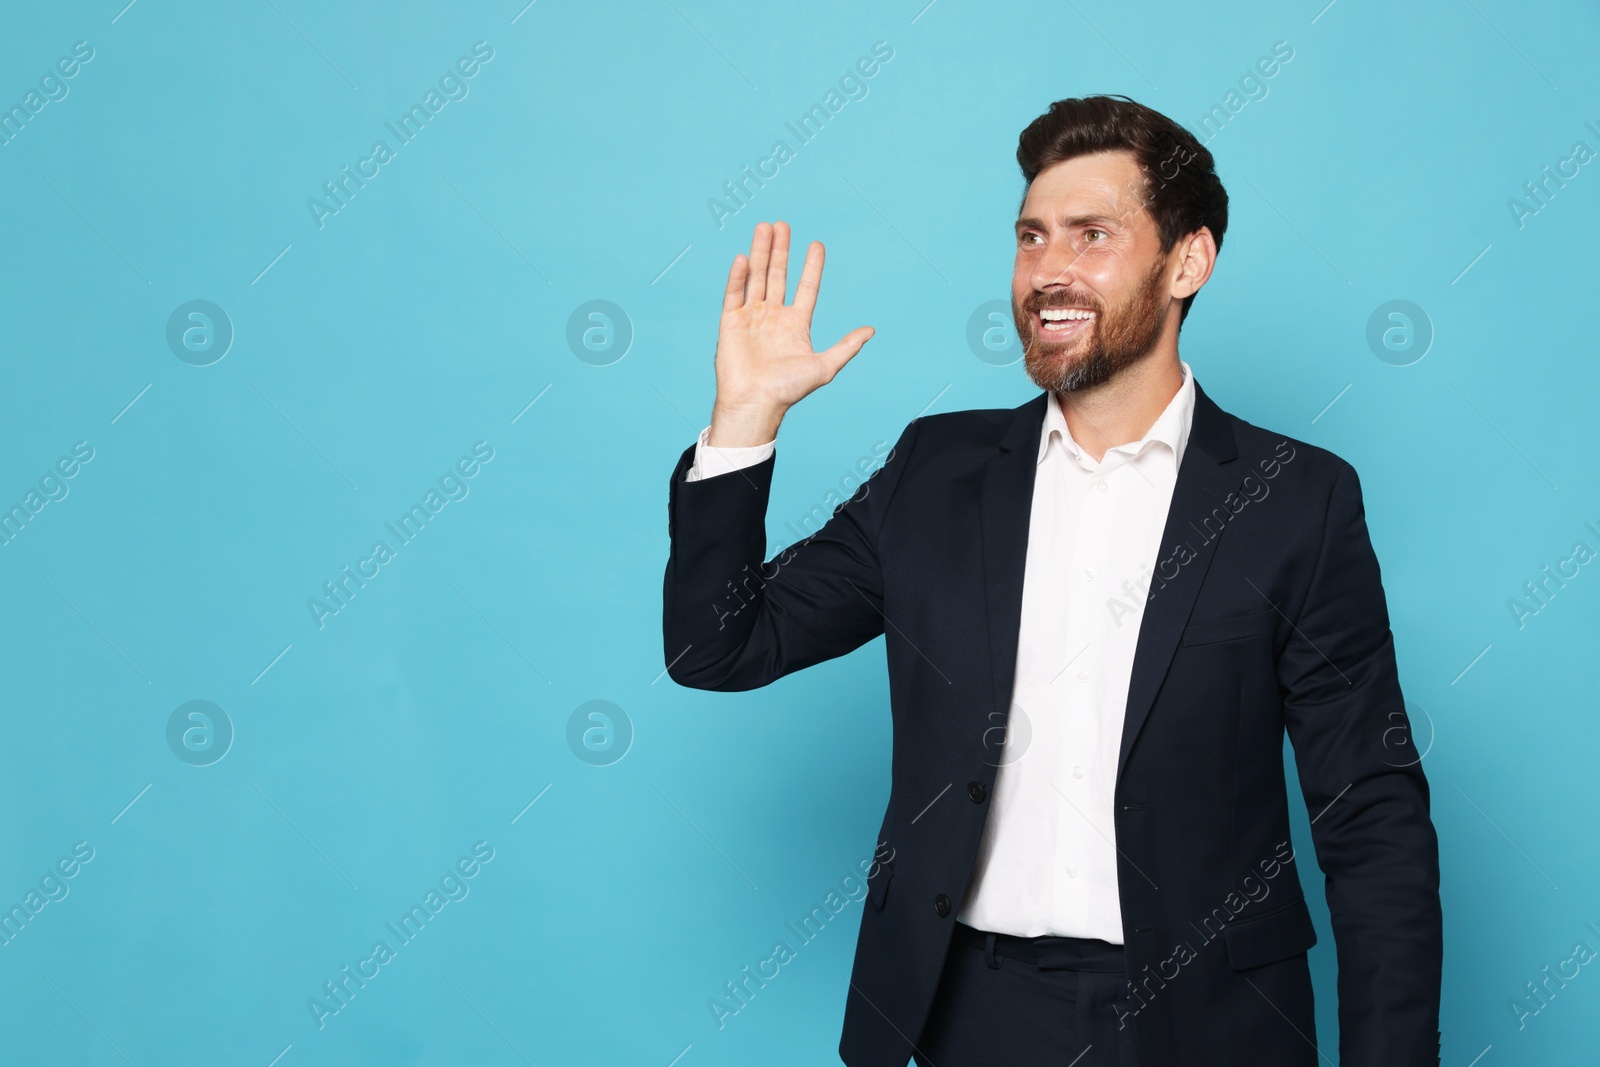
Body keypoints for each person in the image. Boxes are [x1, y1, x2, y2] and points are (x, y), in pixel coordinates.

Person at [662, 94, 1442, 1067]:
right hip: (969, 1014)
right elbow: (717, 645)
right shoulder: (934, 471)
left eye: (1092, 234)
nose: (1048, 271)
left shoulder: (1299, 499)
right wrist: (744, 422)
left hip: (1214, 1021)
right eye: (1031, 237)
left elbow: (1368, 812)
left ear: (1186, 262)